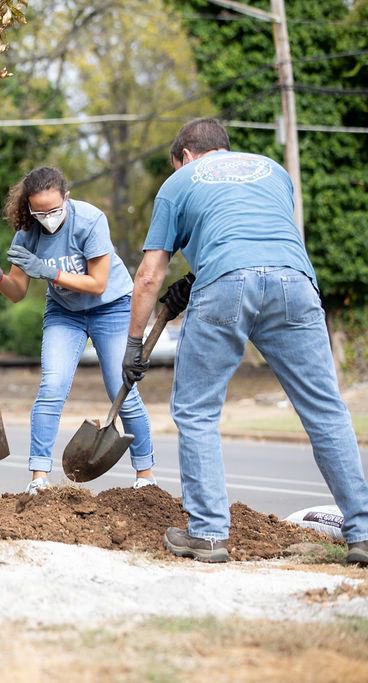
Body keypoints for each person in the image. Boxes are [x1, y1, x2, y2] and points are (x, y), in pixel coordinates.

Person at [123, 118, 368, 565]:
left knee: (196, 410)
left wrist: (134, 343)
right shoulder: (273, 170)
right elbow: (253, 233)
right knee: (325, 409)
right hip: (294, 282)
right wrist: (197, 276)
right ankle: (364, 532)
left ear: (185, 156)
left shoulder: (179, 182)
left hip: (226, 284)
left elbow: (149, 276)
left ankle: (208, 533)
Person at [0, 166, 157, 495]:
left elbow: (98, 283)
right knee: (52, 387)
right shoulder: (27, 232)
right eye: (40, 212)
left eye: (54, 210)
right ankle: (38, 479)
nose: (48, 218)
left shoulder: (90, 220)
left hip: (112, 307)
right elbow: (17, 292)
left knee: (121, 389)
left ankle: (145, 477)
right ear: (29, 207)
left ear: (67, 199)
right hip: (64, 312)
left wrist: (48, 272)